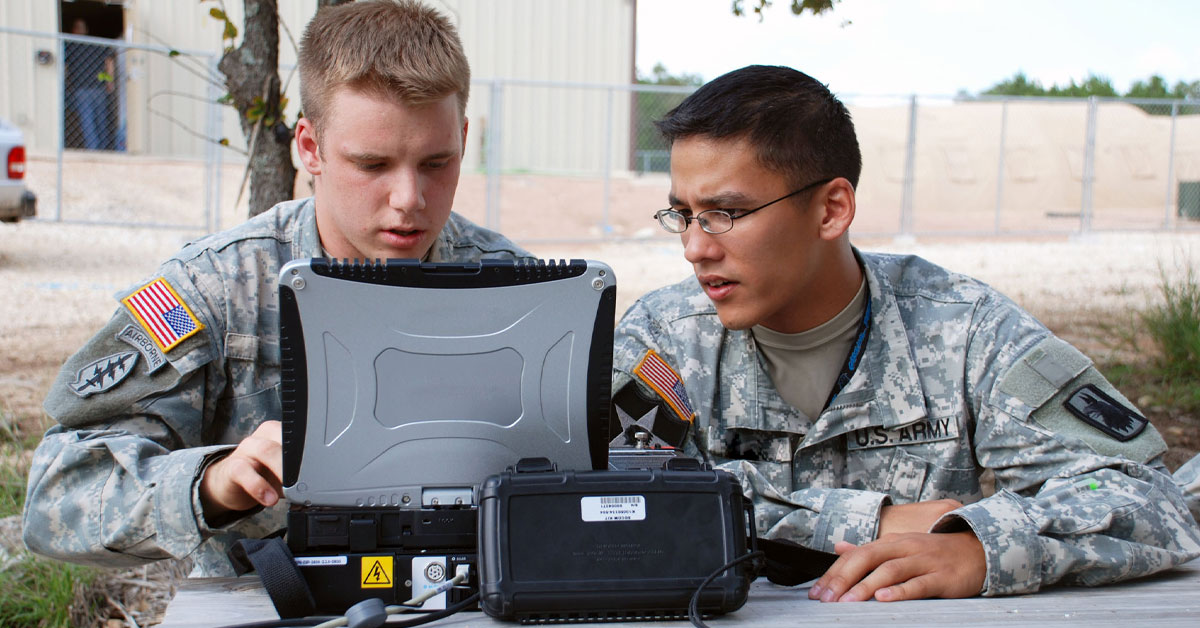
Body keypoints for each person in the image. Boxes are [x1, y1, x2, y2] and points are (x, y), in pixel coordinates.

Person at [610, 65, 1200, 602]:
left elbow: (1145, 498)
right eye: (682, 214)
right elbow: (612, 500)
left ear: (831, 209)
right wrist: (873, 521)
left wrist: (982, 546)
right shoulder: (664, 341)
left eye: (725, 213)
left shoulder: (964, 328)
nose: (694, 247)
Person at [24, 0, 533, 577]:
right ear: (309, 148)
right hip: (267, 605)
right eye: (372, 165)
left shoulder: (515, 288)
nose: (408, 199)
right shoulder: (218, 288)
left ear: (463, 139)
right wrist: (214, 482)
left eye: (437, 163)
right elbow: (56, 494)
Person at [64, 17, 117, 151]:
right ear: (86, 30)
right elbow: (109, 61)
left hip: (82, 89)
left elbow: (64, 67)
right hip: (99, 87)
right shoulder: (96, 43)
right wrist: (109, 81)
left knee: (88, 123)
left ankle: (93, 152)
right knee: (102, 122)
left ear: (74, 30)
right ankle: (104, 151)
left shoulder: (70, 44)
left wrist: (65, 82)